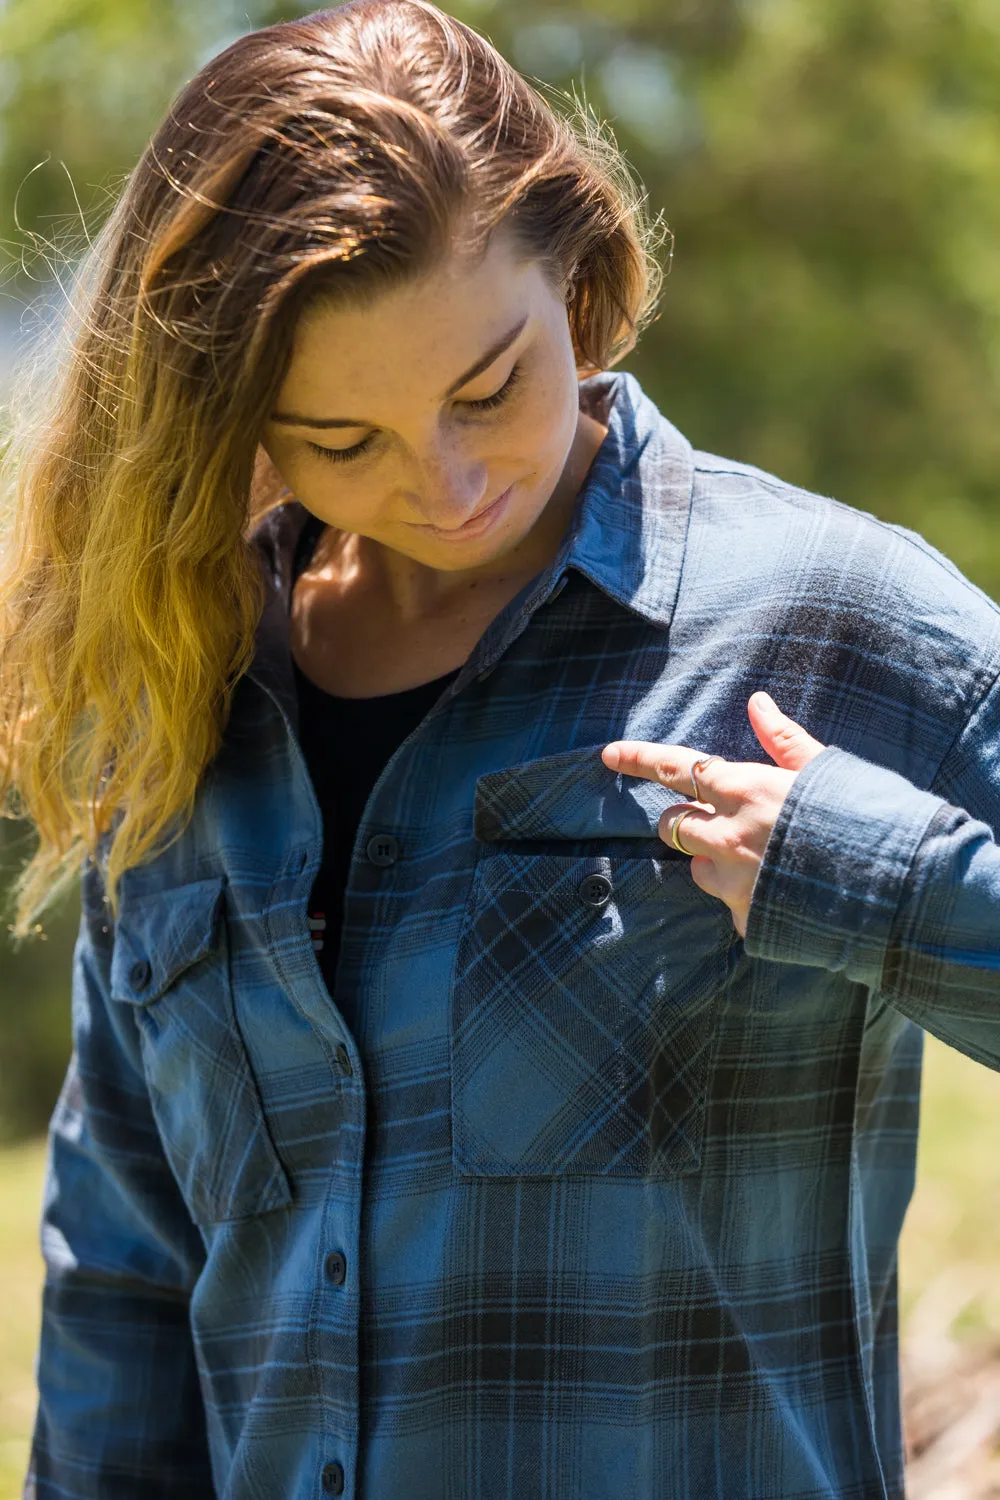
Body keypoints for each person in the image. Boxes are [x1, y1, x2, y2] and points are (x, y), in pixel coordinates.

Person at [2, 1, 999, 1497]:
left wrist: (864, 876)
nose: (450, 482)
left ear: (578, 275)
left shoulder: (827, 621)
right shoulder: (190, 699)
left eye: (490, 389)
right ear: (242, 424)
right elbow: (125, 1287)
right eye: (347, 439)